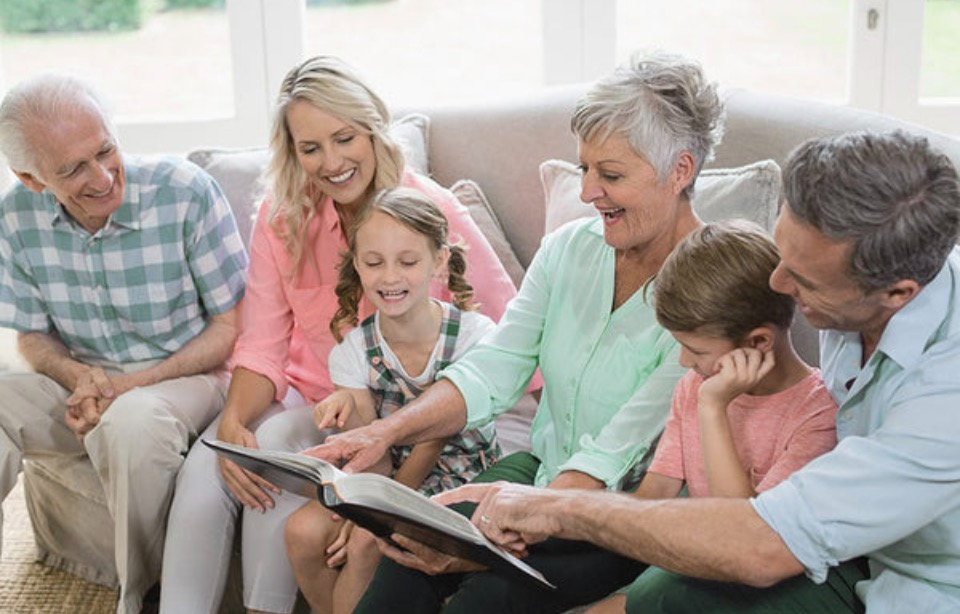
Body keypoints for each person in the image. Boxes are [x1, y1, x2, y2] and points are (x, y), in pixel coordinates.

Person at [454, 130, 960, 613]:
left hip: (921, 584)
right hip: (849, 542)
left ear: (897, 293)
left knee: (663, 594)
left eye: (804, 281)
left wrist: (557, 508)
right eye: (783, 255)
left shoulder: (942, 398)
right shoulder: (865, 280)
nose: (778, 284)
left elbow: (761, 544)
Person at [312, 49, 726, 613]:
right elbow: (496, 366)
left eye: (610, 174)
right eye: (584, 168)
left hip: (622, 512)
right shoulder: (568, 250)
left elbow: (615, 454)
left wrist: (483, 547)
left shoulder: (710, 293)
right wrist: (385, 432)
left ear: (680, 171)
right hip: (541, 469)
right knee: (406, 552)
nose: (587, 191)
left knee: (485, 596)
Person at [159, 55, 518, 614]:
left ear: (373, 129)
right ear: (293, 152)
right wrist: (232, 422)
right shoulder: (283, 218)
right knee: (210, 470)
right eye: (311, 148)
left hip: (412, 416)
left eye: (345, 138)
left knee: (277, 450)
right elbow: (263, 345)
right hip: (323, 397)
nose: (332, 162)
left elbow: (508, 339)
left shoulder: (428, 212)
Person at [0, 74, 248, 614]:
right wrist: (78, 378)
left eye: (105, 150)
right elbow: (32, 336)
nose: (102, 176)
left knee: (132, 422)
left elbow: (230, 328)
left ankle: (140, 598)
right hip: (86, 385)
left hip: (187, 377)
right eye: (73, 169)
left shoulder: (184, 192)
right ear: (31, 178)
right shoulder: (15, 216)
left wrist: (131, 386)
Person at [584, 220, 838, 613]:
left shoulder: (817, 416)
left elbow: (739, 534)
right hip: (695, 559)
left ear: (758, 342)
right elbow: (654, 496)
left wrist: (714, 408)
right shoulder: (694, 385)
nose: (684, 362)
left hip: (755, 580)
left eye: (697, 351)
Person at [283, 187, 501, 614]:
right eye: (374, 262)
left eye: (407, 262)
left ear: (439, 260)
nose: (389, 277)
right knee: (301, 532)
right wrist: (348, 418)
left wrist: (373, 517)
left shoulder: (474, 336)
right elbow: (376, 460)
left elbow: (434, 438)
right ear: (357, 265)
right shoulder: (353, 352)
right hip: (387, 478)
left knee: (366, 542)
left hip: (463, 476)